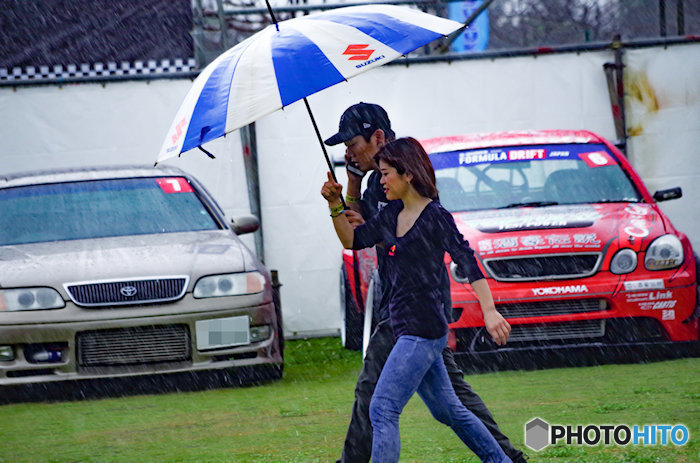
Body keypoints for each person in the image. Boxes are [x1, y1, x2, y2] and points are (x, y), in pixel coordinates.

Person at [324, 103, 527, 463]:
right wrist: (345, 194)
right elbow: (357, 237)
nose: (347, 151)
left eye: (352, 143)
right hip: (404, 309)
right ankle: (506, 458)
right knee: (450, 406)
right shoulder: (379, 187)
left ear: (378, 138)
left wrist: (490, 310)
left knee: (378, 402)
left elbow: (464, 257)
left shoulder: (418, 204)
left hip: (417, 312)